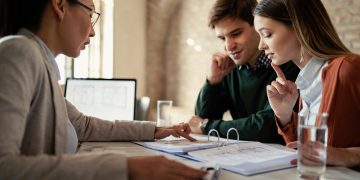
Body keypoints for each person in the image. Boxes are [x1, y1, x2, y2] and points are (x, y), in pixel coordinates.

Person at [0, 0, 207, 179]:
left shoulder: (41, 64)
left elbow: (83, 125)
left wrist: (155, 130)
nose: (93, 30)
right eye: (90, 13)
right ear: (60, 5)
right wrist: (127, 168)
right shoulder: (19, 52)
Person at [253, 0, 360, 170]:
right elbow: (307, 153)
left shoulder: (349, 69)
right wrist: (285, 114)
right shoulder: (305, 82)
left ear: (300, 27)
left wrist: (346, 155)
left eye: (266, 34)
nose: (260, 45)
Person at [188, 0, 299, 143]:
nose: (228, 46)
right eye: (222, 38)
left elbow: (266, 127)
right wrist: (212, 82)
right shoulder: (230, 69)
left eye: (236, 34)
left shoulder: (288, 62)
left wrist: (206, 126)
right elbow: (202, 118)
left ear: (258, 25)